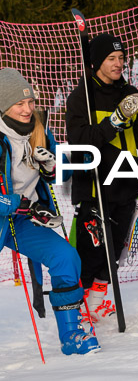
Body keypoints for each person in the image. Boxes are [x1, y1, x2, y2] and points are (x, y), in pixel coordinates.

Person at [65, 33, 138, 323]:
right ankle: (78, 305)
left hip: (126, 178)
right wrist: (112, 121)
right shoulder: (82, 96)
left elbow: (137, 138)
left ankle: (96, 301)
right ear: (97, 62)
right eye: (111, 59)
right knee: (91, 250)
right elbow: (79, 140)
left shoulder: (129, 92)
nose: (119, 63)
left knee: (113, 251)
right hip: (94, 183)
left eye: (122, 58)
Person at [0, 67, 100, 355]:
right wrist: (11, 203)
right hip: (5, 214)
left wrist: (53, 167)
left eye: (30, 102)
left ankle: (71, 337)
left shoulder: (39, 129)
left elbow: (63, 175)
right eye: (19, 104)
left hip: (25, 220)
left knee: (65, 257)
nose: (27, 109)